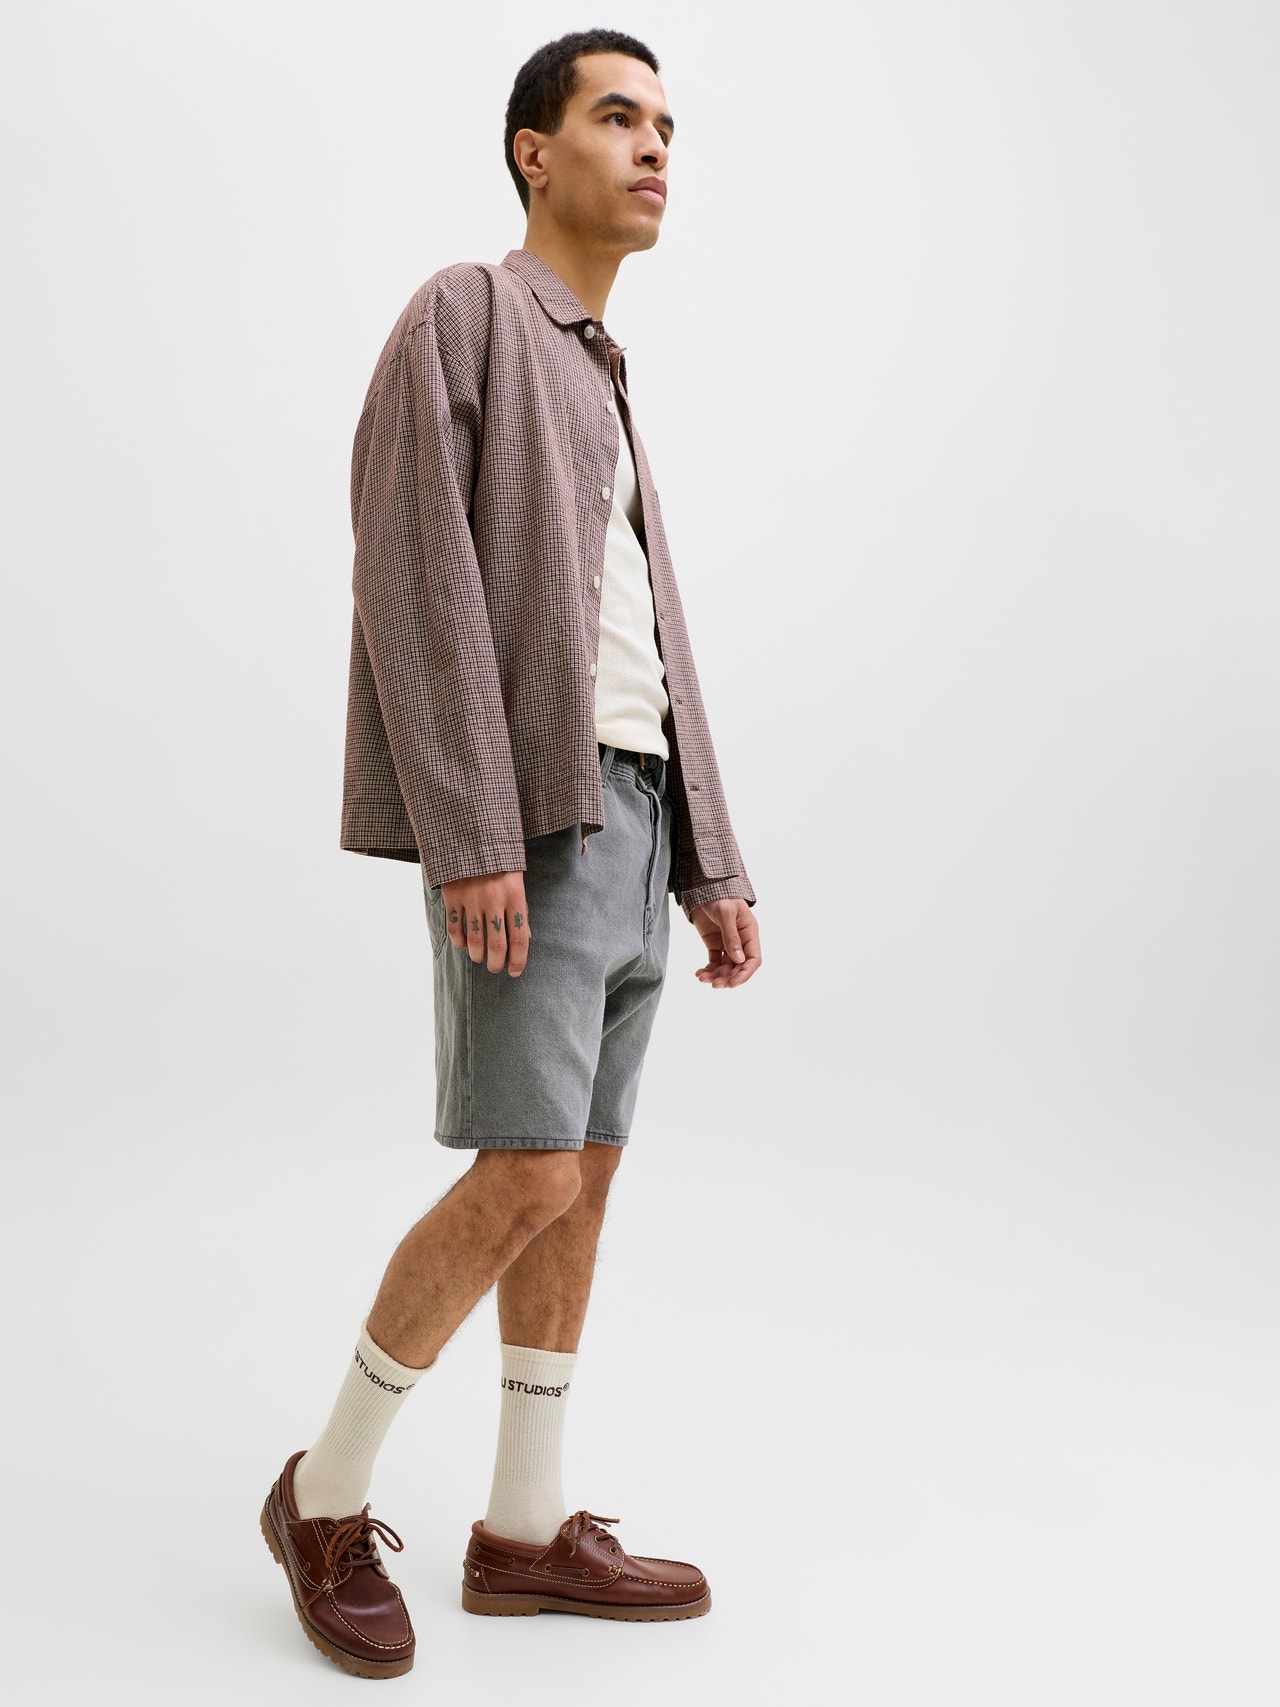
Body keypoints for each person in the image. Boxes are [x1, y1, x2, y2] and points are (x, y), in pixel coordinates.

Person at [260, 27, 761, 1679]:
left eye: (668, 123)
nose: (656, 146)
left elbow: (652, 637)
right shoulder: (465, 313)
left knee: (585, 1176)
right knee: (526, 1170)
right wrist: (472, 830)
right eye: (620, 117)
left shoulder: (604, 371)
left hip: (636, 815)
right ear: (535, 153)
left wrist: (710, 859)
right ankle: (321, 1497)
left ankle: (526, 1529)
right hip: (531, 820)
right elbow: (412, 576)